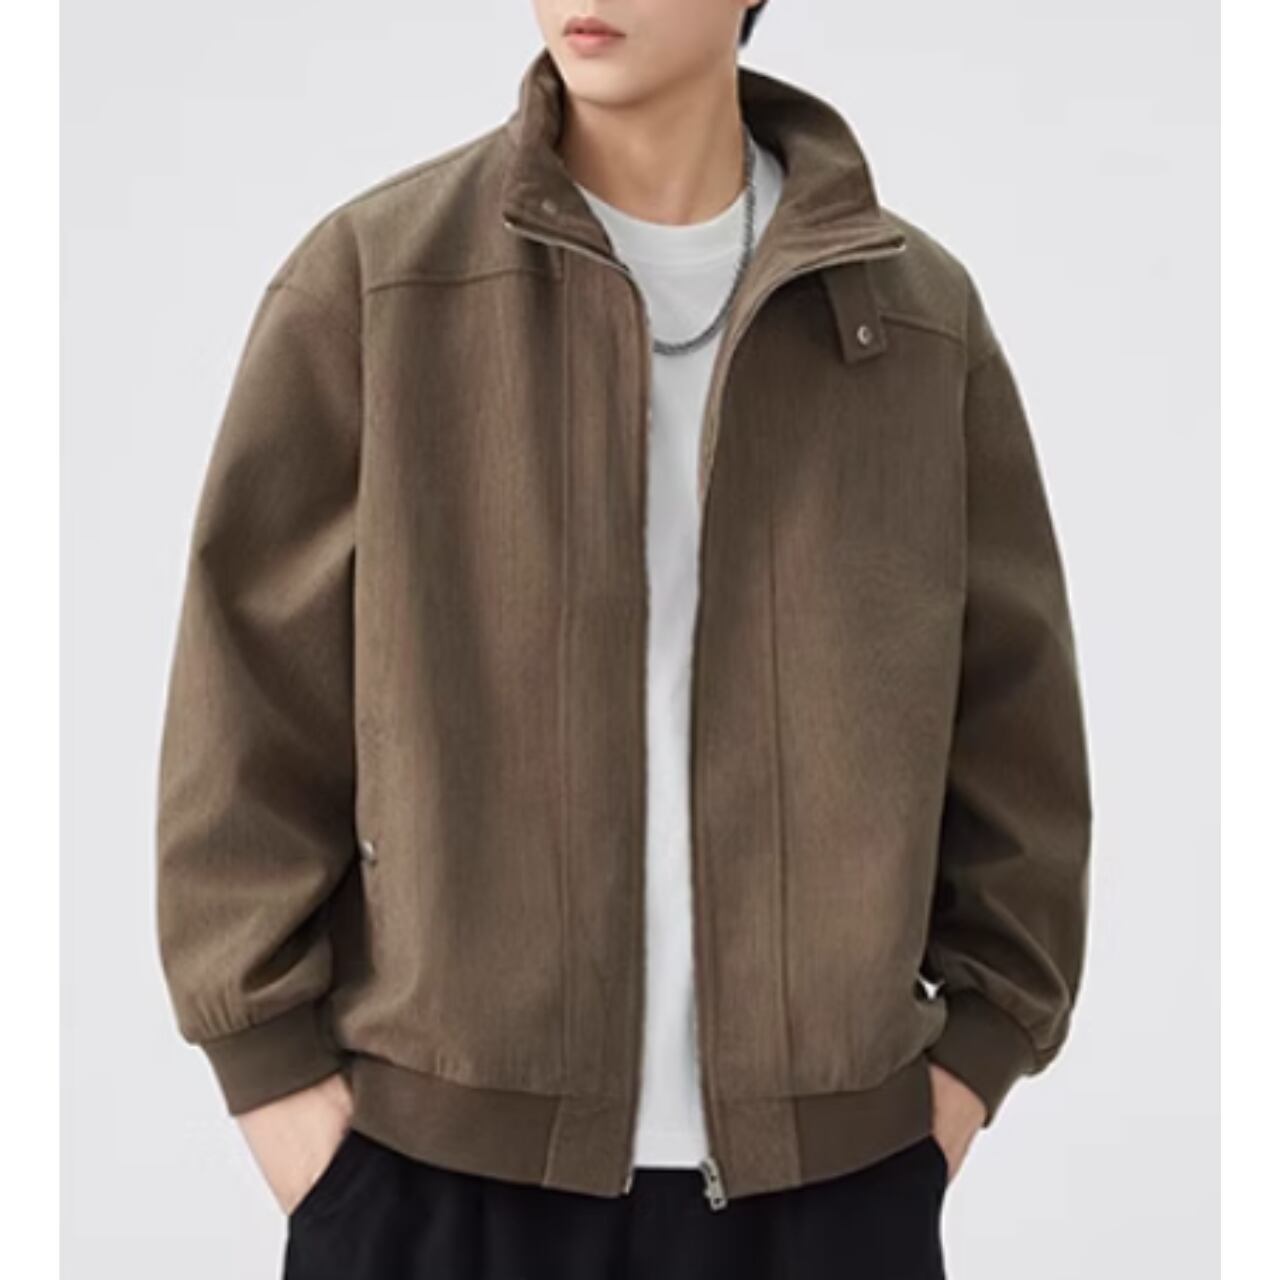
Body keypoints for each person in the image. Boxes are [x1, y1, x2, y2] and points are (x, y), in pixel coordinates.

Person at [154, 3, 1092, 1277]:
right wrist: (283, 1097)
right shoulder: (378, 283)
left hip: (827, 1193)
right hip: (434, 1179)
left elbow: (1015, 733)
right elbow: (247, 703)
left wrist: (964, 1070)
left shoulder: (914, 320)